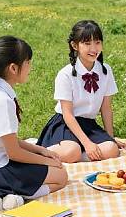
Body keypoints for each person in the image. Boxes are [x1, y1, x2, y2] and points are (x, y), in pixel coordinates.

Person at [0, 36, 67, 211]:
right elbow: (14, 153)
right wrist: (46, 162)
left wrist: (40, 150)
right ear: (13, 68)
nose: (30, 68)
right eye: (28, 63)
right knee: (61, 176)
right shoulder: (1, 100)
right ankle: (1, 195)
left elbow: (7, 141)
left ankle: (4, 192)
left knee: (49, 166)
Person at [37, 20, 121, 162]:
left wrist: (110, 137)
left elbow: (106, 108)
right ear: (75, 45)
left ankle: (79, 155)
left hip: (89, 124)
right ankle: (40, 151)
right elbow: (67, 114)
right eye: (87, 44)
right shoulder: (65, 74)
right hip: (66, 124)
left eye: (98, 42)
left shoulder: (106, 71)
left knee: (112, 149)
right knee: (72, 151)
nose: (94, 48)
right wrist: (87, 143)